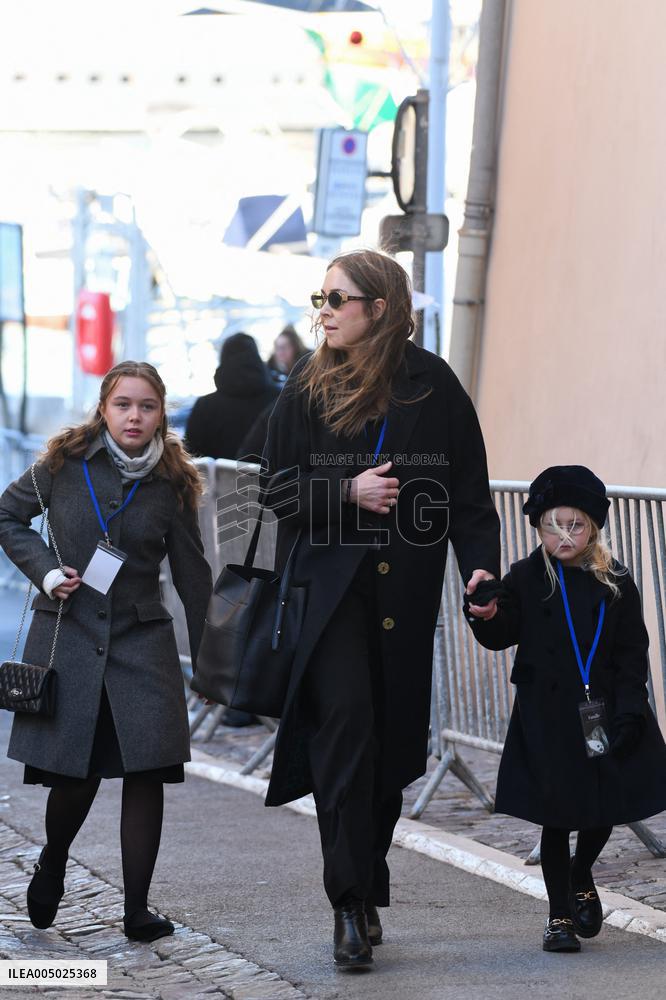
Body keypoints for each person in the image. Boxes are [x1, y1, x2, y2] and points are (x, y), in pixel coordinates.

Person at [260, 249, 500, 970]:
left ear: (381, 308)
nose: (324, 310)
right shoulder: (306, 384)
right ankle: (346, 901)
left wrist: (479, 566)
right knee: (345, 737)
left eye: (338, 298)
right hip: (330, 596)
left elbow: (469, 494)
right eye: (321, 297)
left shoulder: (434, 386)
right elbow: (271, 491)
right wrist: (347, 493)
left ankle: (366, 882)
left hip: (405, 591)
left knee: (392, 748)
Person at [0, 361, 212, 942]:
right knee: (77, 776)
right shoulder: (63, 464)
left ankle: (137, 909)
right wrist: (45, 573)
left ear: (161, 412)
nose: (135, 416)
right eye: (124, 405)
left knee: (147, 773)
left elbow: (192, 572)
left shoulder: (173, 479)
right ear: (104, 408)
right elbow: (6, 515)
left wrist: (218, 660)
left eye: (147, 406)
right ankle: (54, 858)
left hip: (142, 642)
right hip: (67, 634)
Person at [466, 466, 666, 953]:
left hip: (598, 713)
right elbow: (501, 633)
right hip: (547, 718)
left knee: (601, 804)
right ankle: (558, 917)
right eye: (552, 526)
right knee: (557, 815)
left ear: (592, 527)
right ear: (538, 528)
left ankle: (581, 871)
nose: (563, 536)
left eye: (574, 525)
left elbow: (629, 655)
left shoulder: (614, 580)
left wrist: (628, 712)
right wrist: (486, 614)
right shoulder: (526, 576)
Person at [184, 333, 280, 460]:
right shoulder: (279, 399)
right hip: (273, 479)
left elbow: (191, 456)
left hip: (216, 479)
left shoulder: (205, 406)